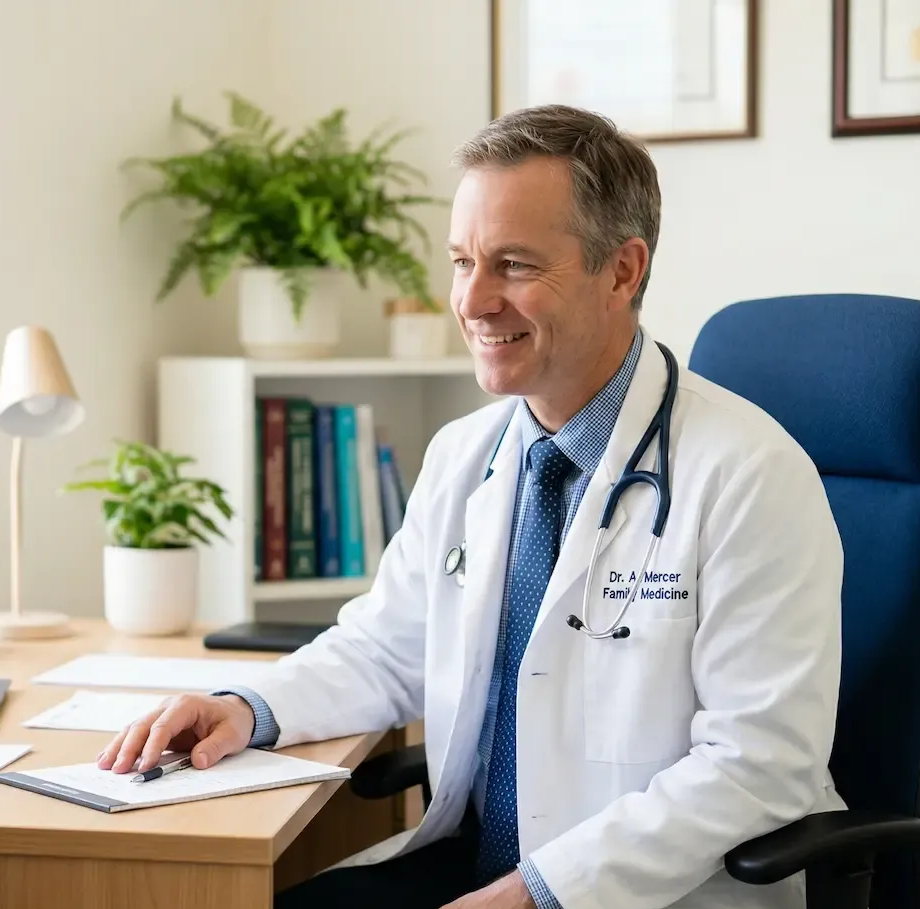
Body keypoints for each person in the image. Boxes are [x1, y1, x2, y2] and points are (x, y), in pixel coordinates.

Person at [98, 105, 846, 909]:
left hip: (648, 892)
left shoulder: (749, 475)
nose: (473, 300)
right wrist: (247, 709)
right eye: (461, 261)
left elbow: (759, 762)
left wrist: (540, 893)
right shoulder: (466, 454)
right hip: (477, 869)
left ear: (623, 271)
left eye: (514, 265)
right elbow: (386, 648)